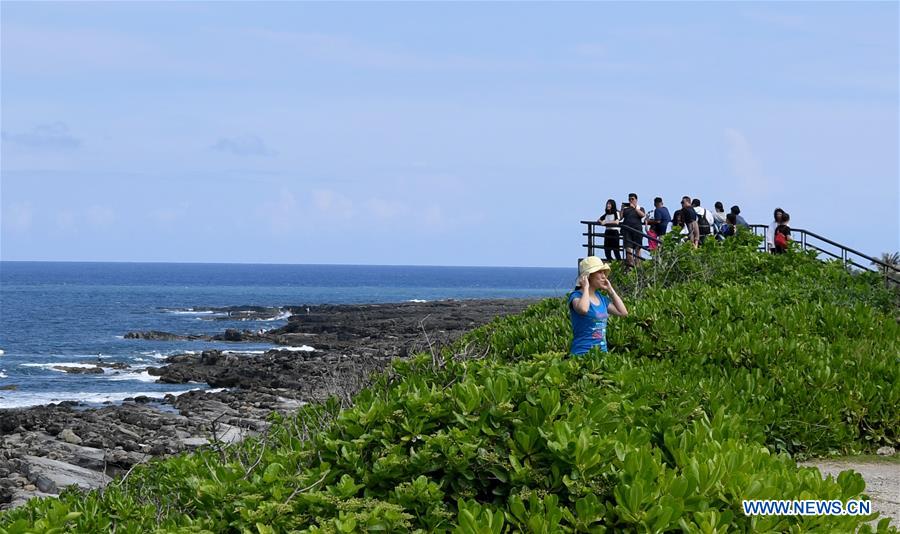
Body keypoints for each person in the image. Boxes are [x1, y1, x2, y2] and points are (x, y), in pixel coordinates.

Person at [568, 256, 628, 355]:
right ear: (588, 276)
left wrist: (610, 290)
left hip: (602, 354)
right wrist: (586, 287)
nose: (604, 276)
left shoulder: (601, 298)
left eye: (604, 272)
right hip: (582, 354)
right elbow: (583, 309)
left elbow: (623, 312)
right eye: (600, 272)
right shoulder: (576, 296)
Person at [620, 193, 646, 268]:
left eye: (632, 199)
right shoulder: (626, 209)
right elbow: (620, 218)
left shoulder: (640, 208)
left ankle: (638, 267)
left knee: (637, 249)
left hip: (637, 230)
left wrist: (634, 208)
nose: (631, 200)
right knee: (628, 250)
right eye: (629, 199)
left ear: (636, 200)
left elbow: (642, 215)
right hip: (627, 231)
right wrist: (622, 209)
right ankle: (631, 267)